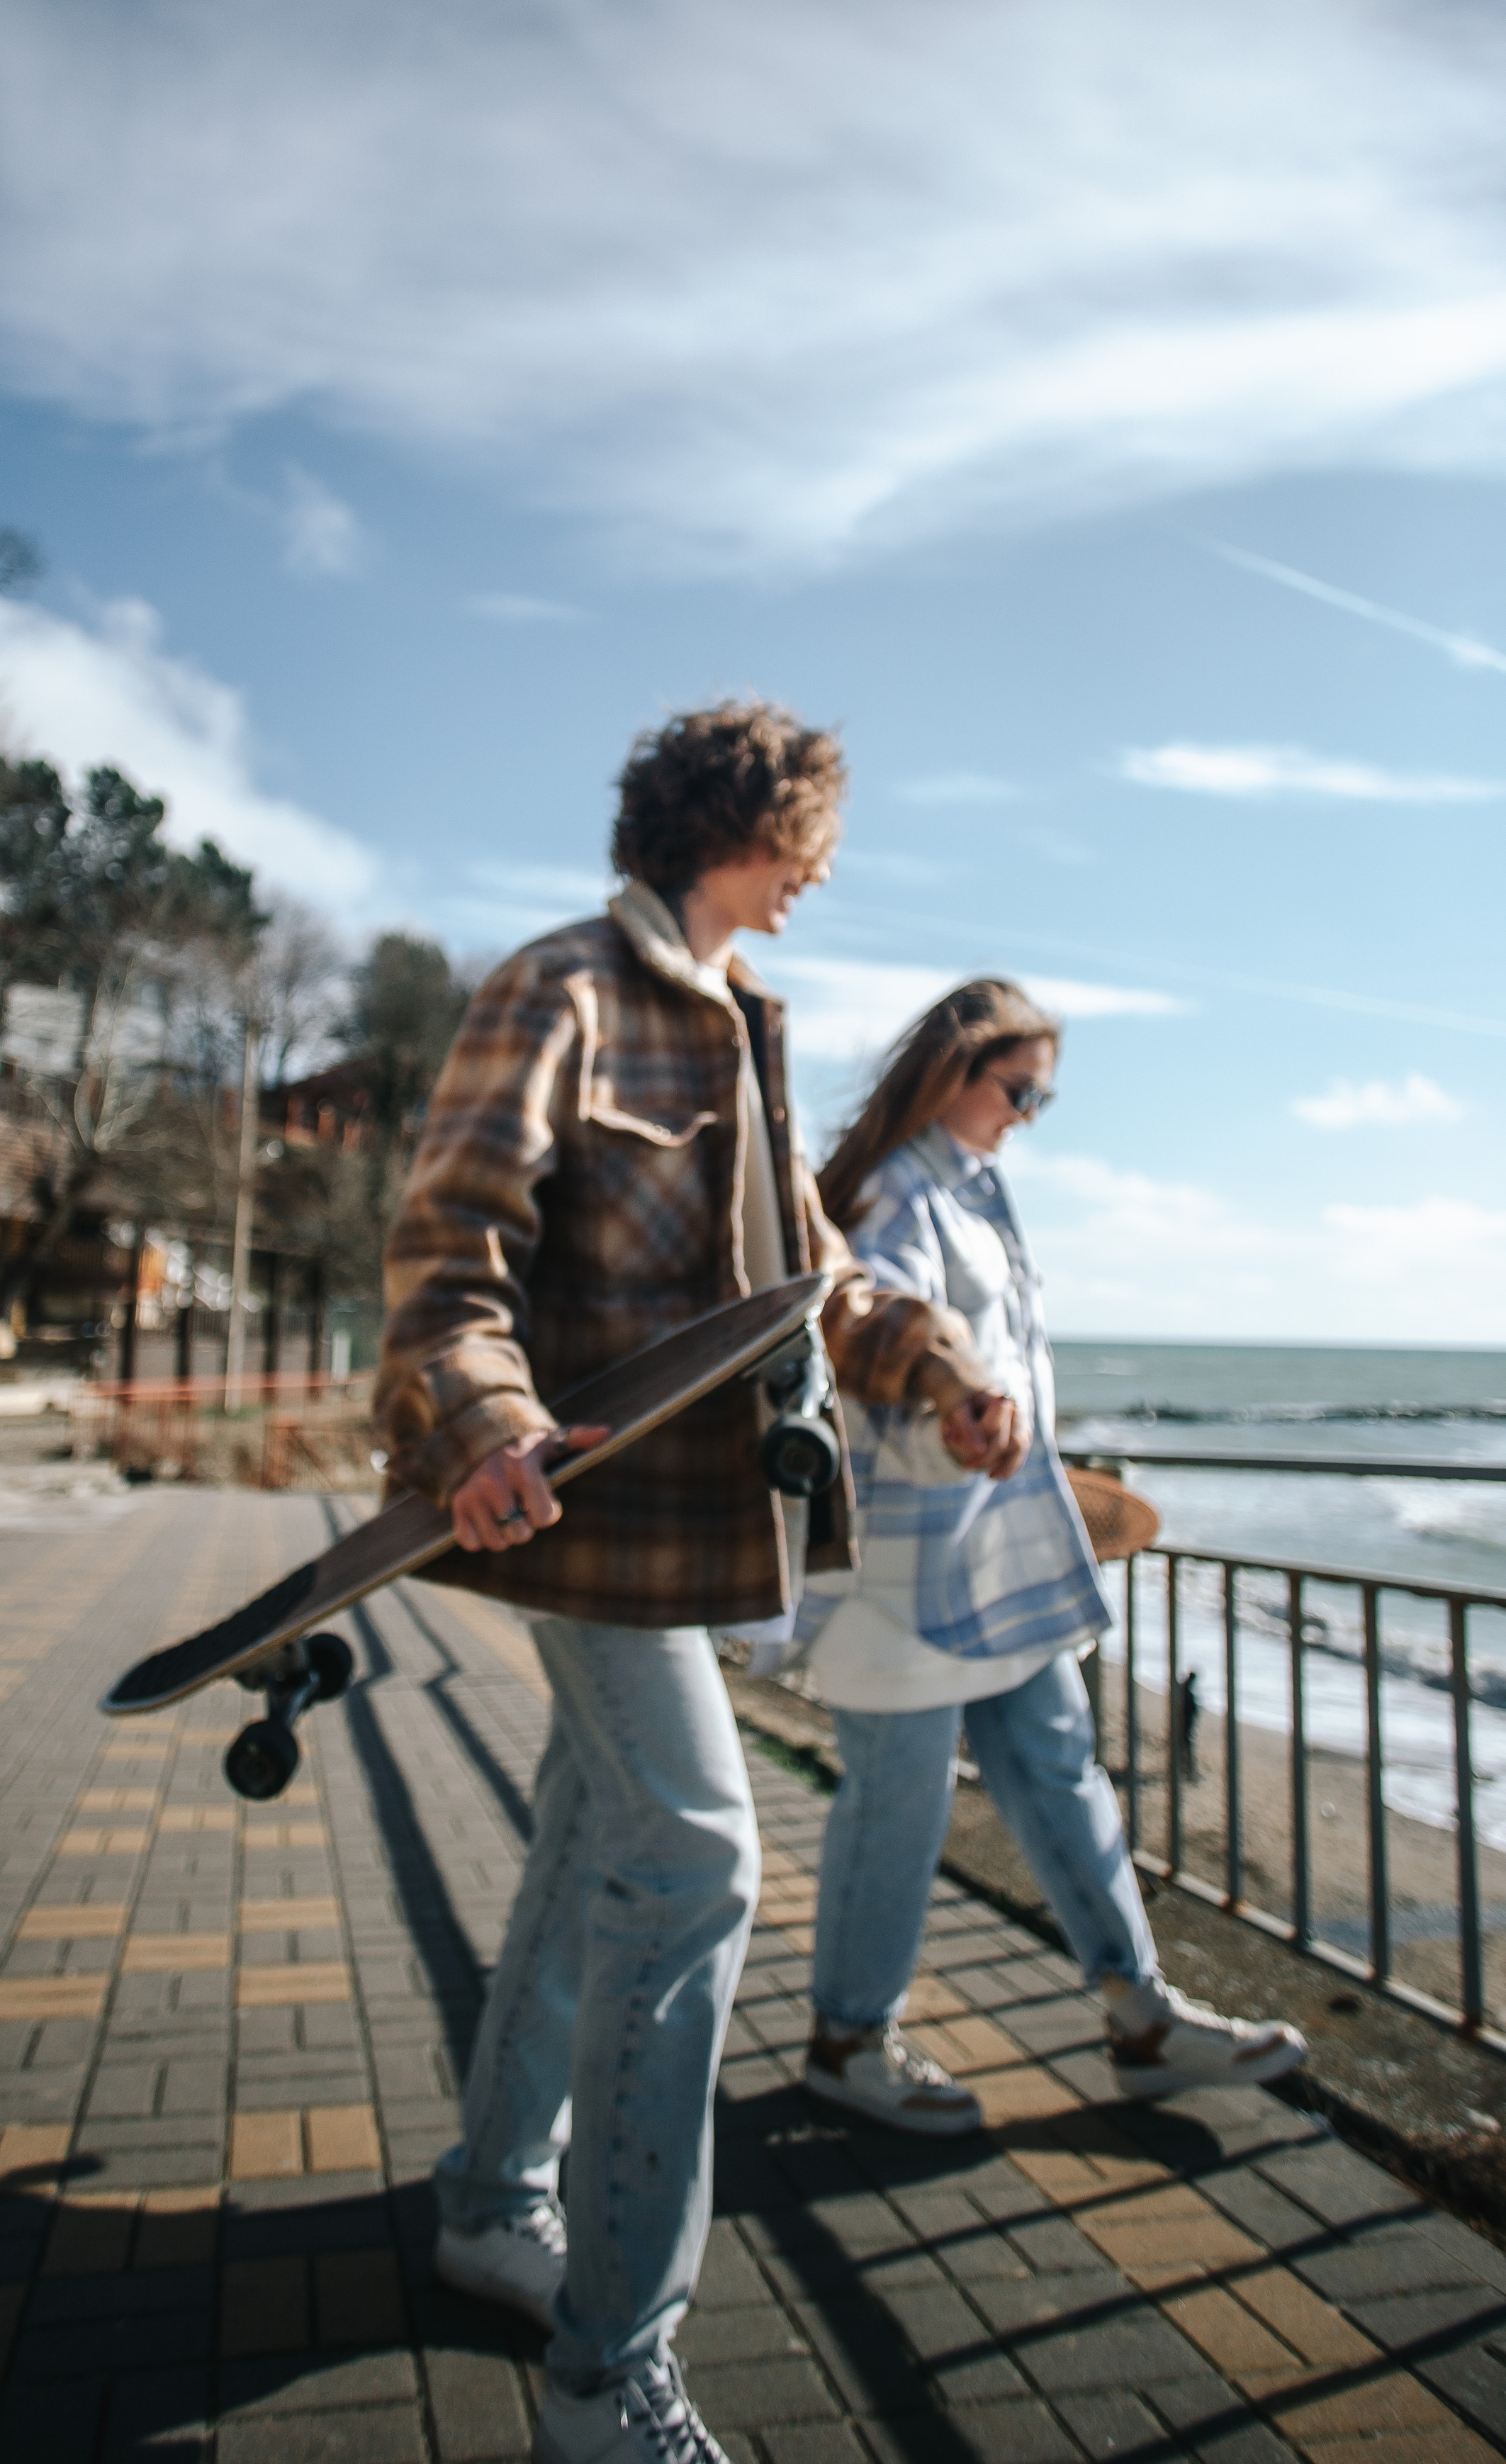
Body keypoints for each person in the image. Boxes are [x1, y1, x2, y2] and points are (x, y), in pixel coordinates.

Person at [374, 709, 1013, 2464]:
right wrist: (479, 1428)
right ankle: (606, 2376)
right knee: (700, 1857)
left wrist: (945, 1372)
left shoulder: (742, 1024)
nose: (820, 873)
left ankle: (495, 2201)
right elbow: (448, 1255)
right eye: (810, 836)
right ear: (748, 822)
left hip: (694, 1551)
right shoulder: (559, 988)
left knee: (597, 1847)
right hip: (573, 1528)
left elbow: (814, 1285)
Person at [799, 978, 1306, 2133]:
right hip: (903, 1568)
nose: (1029, 1113)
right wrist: (961, 1404)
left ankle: (1141, 2014)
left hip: (1001, 1548)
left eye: (1044, 1096)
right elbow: (870, 1344)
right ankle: (845, 2040)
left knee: (1063, 1768)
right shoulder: (889, 1197)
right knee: (898, 1807)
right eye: (1017, 1088)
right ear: (952, 1070)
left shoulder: (976, 1191)